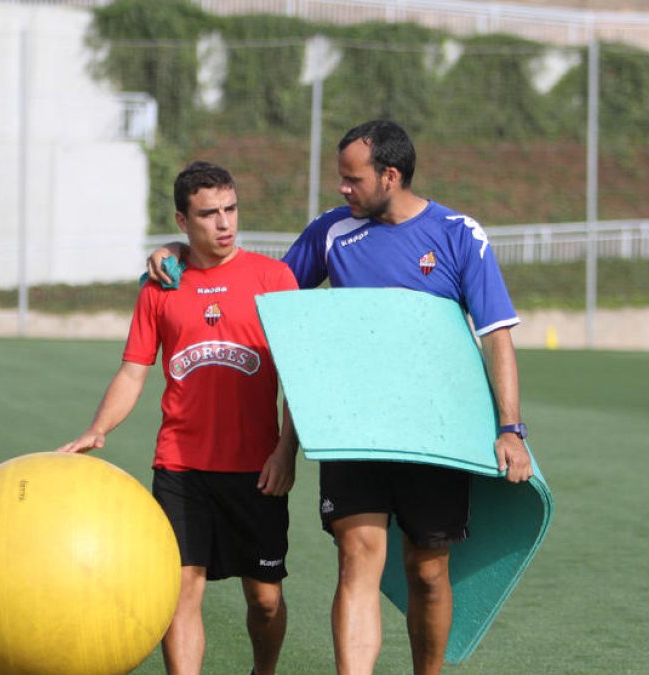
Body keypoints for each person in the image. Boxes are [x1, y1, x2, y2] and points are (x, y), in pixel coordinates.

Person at [147, 121, 533, 675]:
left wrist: (511, 429)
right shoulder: (333, 231)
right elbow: (260, 284)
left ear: (390, 175)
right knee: (357, 561)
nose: (343, 190)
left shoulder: (457, 234)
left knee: (428, 570)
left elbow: (496, 334)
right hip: (353, 431)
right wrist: (181, 247)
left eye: (352, 180)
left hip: (432, 432)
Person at [59, 161, 300, 675]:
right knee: (180, 590)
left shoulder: (274, 278)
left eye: (231, 209)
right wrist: (97, 429)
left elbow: (301, 381)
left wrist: (285, 453)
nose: (224, 223)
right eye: (209, 214)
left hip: (257, 469)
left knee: (265, 600)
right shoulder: (161, 285)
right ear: (182, 220)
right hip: (181, 468)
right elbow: (132, 373)